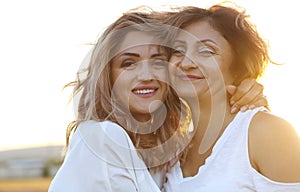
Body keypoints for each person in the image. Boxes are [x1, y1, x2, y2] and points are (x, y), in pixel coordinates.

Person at [48, 7, 268, 192]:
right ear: (109, 77)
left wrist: (241, 93)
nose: (146, 76)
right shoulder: (103, 137)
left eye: (158, 61)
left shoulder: (169, 159)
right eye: (128, 63)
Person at [162, 3, 300, 191]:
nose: (186, 63)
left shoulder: (267, 133)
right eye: (178, 51)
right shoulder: (171, 151)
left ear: (237, 67)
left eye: (206, 51)